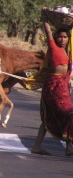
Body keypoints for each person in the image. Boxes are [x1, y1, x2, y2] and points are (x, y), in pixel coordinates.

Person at [31, 19, 73, 156]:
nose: (62, 39)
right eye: (60, 36)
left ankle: (36, 146)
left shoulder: (66, 51)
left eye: (65, 37)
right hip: (55, 87)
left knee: (48, 117)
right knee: (69, 114)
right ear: (55, 37)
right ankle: (69, 147)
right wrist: (46, 18)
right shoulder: (53, 47)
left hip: (61, 86)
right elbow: (48, 31)